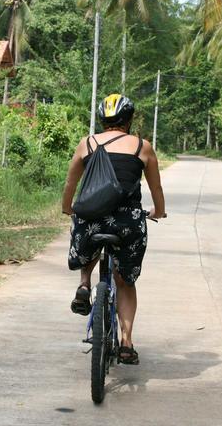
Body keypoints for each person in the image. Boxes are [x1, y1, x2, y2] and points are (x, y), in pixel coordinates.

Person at [61, 94, 166, 365]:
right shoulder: (143, 146)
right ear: (129, 120)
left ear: (102, 120)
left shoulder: (87, 143)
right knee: (125, 281)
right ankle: (127, 343)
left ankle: (85, 284)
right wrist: (159, 211)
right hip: (128, 222)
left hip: (91, 218)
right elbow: (156, 188)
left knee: (89, 239)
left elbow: (70, 185)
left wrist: (68, 209)